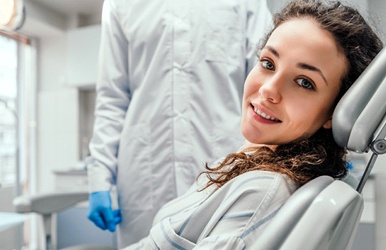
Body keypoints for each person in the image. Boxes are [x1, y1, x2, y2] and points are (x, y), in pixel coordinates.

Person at [121, 0, 383, 248]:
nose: (269, 89)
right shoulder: (252, 169)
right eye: (268, 63)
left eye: (304, 82)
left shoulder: (260, 193)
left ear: (334, 113)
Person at [86, 0, 273, 248]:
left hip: (225, 165)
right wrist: (99, 178)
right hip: (144, 176)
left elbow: (266, 84)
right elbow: (112, 96)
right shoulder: (120, 4)